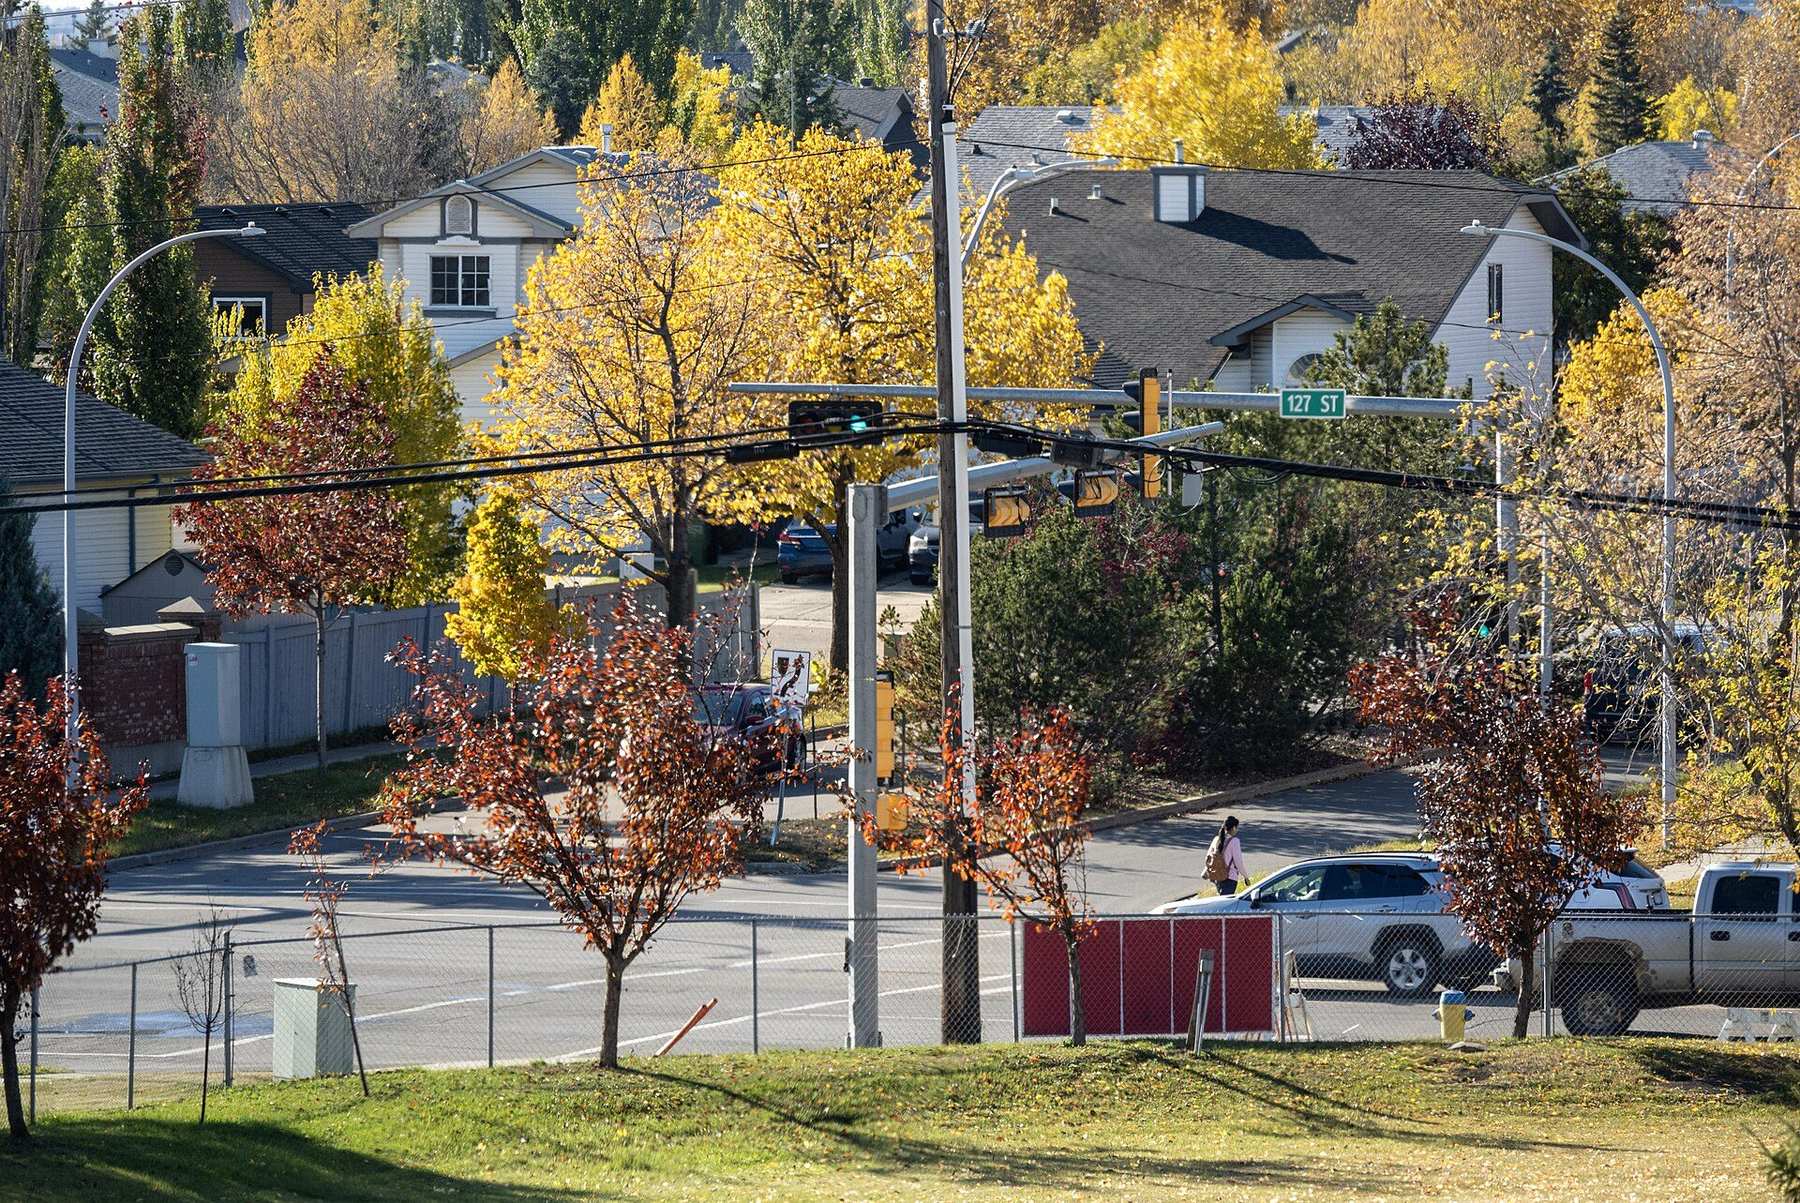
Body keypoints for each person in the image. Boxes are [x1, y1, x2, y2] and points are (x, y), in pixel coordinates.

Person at [1204, 816, 1245, 896]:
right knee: (1225, 904)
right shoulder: (1234, 841)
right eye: (1237, 828)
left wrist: (1207, 870)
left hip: (1217, 876)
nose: (1237, 830)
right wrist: (1245, 877)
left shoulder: (1216, 839)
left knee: (1221, 900)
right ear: (1233, 828)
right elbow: (1238, 862)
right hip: (1229, 877)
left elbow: (1208, 857)